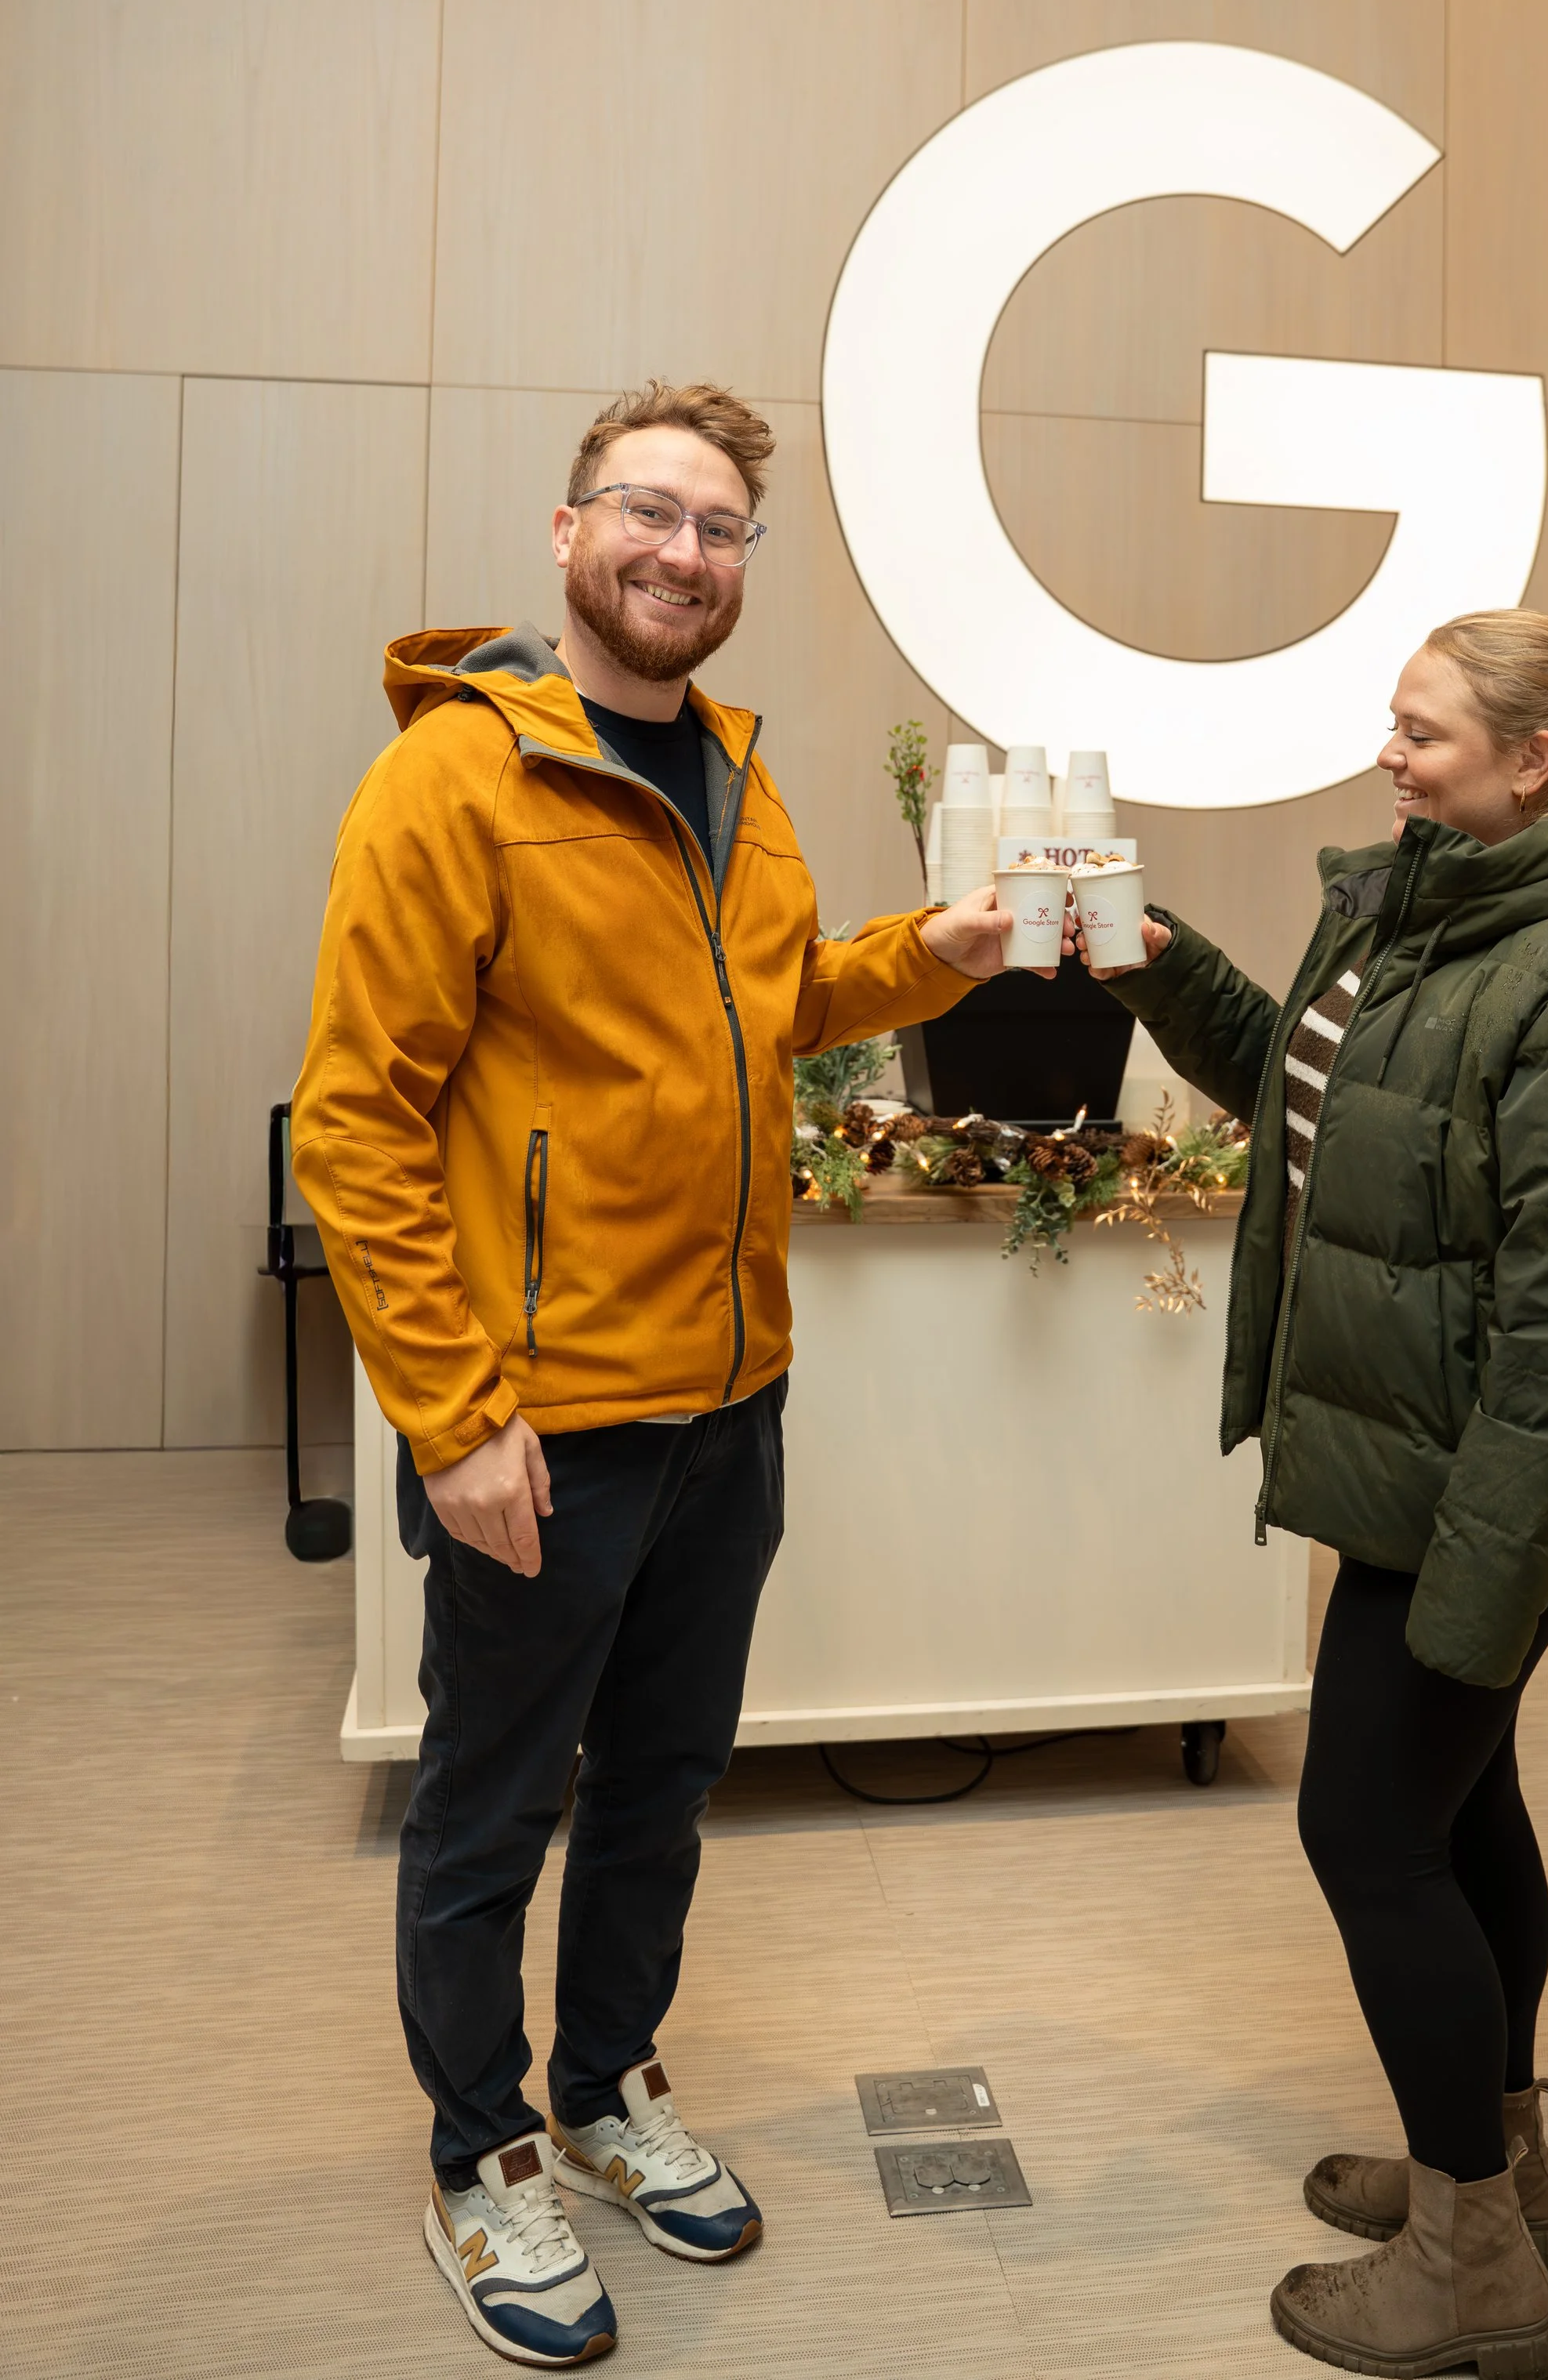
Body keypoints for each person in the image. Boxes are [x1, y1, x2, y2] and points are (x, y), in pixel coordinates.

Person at [292, 379, 1019, 2369]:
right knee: (487, 1809)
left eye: (716, 531)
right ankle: (479, 2153)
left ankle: (607, 2089)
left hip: (730, 1399)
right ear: (564, 531)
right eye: (648, 514)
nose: (681, 554)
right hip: (544, 1420)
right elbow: (358, 1121)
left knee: (665, 1793)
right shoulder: (457, 780)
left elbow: (770, 998)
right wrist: (453, 1415)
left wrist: (933, 952)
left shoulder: (735, 773)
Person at [1078, 611, 1548, 2380]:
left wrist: (1486, 1569)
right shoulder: (1431, 899)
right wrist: (1139, 953)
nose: (1388, 751)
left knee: (1364, 1826)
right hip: (1412, 1457)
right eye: (1391, 718)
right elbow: (1303, 1083)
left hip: (1487, 1481)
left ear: (1534, 762)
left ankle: (1472, 2273)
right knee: (1459, 1800)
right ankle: (1494, 2171)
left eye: (1422, 731)